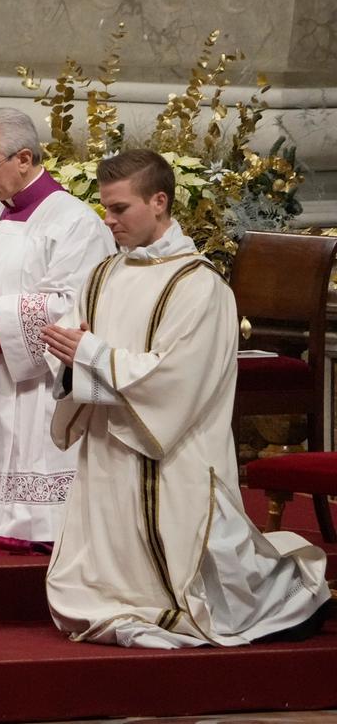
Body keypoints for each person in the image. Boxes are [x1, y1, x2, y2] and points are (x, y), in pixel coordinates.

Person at [42, 150, 331, 647]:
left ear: (159, 202)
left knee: (202, 567)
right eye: (105, 209)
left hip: (171, 449)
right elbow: (78, 348)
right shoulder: (101, 275)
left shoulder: (201, 288)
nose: (108, 221)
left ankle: (285, 593)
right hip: (110, 445)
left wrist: (91, 354)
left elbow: (178, 381)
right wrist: (71, 361)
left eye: (119, 209)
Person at [0, 108, 113, 553]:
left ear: (23, 158)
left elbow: (74, 308)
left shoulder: (75, 222)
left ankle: (35, 524)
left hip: (37, 379)